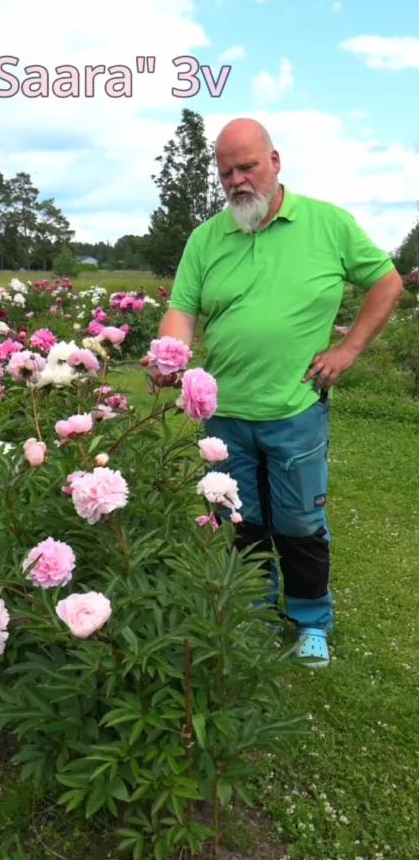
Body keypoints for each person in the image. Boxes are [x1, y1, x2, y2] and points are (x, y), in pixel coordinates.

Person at [142, 118, 403, 667]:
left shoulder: (327, 224)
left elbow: (387, 281)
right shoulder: (207, 237)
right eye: (226, 172)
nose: (238, 180)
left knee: (300, 524)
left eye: (248, 167)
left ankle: (312, 621)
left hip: (295, 408)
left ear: (275, 161)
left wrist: (348, 350)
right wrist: (169, 355)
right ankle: (256, 612)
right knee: (240, 521)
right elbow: (182, 310)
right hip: (223, 415)